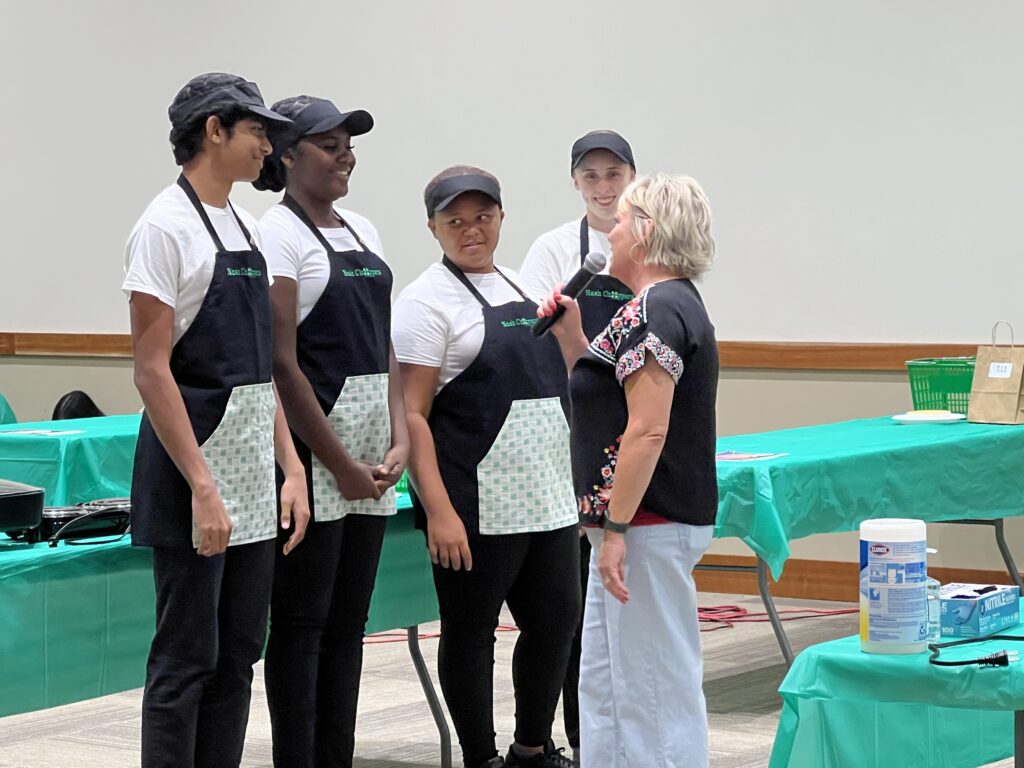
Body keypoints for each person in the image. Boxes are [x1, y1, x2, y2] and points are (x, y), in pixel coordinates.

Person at [122, 73, 310, 768]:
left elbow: (259, 372)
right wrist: (202, 485)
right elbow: (151, 369)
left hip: (254, 477)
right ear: (213, 130)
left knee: (236, 657)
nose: (268, 145)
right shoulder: (162, 229)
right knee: (186, 657)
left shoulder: (247, 226)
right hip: (193, 475)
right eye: (257, 130)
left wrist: (290, 467)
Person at [393, 166, 579, 768]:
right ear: (433, 227)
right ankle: (481, 757)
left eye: (482, 217)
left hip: (547, 498)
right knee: (471, 635)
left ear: (501, 217)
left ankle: (532, 748)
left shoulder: (522, 286)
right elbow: (413, 415)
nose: (470, 231)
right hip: (474, 504)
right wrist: (439, 511)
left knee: (555, 626)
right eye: (455, 221)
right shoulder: (424, 303)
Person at [538, 174, 719, 768]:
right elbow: (606, 397)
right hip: (631, 525)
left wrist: (615, 530)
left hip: (645, 524)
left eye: (619, 220)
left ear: (645, 234)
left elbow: (647, 428)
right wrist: (573, 339)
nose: (609, 231)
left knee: (651, 688)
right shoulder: (653, 307)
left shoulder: (659, 308)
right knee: (609, 685)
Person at [254, 95, 409, 768]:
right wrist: (337, 464)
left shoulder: (365, 230)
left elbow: (387, 345)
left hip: (371, 462)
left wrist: (400, 435)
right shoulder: (276, 234)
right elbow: (281, 363)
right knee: (301, 626)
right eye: (328, 143)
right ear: (287, 155)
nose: (346, 153)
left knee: (349, 626)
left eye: (349, 141)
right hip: (314, 465)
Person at [518, 130, 637, 766]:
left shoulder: (647, 242)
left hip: (636, 419)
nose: (603, 186)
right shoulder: (554, 250)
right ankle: (582, 734)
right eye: (589, 176)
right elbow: (536, 332)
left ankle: (626, 729)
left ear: (633, 175)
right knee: (576, 597)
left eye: (613, 172)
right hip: (570, 429)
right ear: (575, 183)